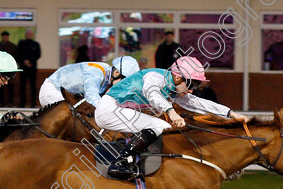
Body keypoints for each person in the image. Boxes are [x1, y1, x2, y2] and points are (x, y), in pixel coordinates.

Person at [94, 56, 248, 180]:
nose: (192, 90)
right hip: (109, 109)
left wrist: (230, 113)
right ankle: (121, 163)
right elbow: (151, 93)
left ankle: (131, 162)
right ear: (177, 76)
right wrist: (172, 112)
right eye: (191, 84)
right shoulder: (155, 77)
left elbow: (198, 104)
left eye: (195, 85)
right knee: (158, 125)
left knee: (160, 126)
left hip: (117, 111)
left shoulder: (173, 89)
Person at [39, 56, 140, 107]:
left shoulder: (107, 77)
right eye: (124, 82)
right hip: (52, 90)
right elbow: (92, 98)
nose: (123, 86)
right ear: (117, 72)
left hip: (65, 94)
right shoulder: (95, 72)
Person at [16, 28, 41, 107]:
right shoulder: (21, 43)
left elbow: (38, 55)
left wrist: (30, 62)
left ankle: (33, 104)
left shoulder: (36, 44)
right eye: (28, 34)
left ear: (32, 35)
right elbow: (18, 54)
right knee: (22, 86)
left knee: (33, 86)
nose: (29, 35)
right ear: (26, 35)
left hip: (32, 68)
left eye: (31, 34)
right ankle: (22, 104)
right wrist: (24, 61)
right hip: (23, 68)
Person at [0, 31, 18, 106]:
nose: (5, 37)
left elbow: (16, 57)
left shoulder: (12, 46)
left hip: (10, 69)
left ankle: (10, 102)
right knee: (0, 85)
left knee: (10, 86)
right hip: (0, 69)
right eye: (4, 36)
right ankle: (1, 102)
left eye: (6, 36)